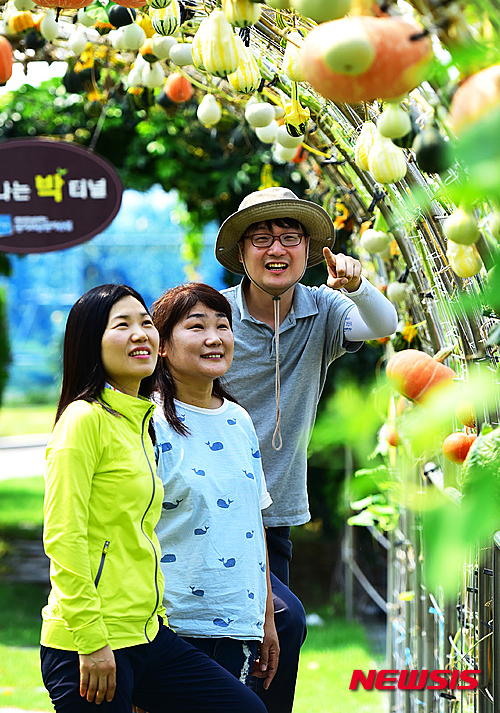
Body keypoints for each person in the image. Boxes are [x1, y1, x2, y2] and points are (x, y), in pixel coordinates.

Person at [40, 282, 266, 713]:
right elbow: (64, 537)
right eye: (121, 325)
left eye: (145, 323)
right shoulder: (83, 420)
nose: (140, 334)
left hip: (147, 635)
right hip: (91, 642)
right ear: (91, 342)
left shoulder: (138, 422)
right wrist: (91, 640)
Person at [215, 186, 399, 712]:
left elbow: (383, 324)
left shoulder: (323, 308)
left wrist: (359, 286)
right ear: (242, 254)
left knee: (269, 644)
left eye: (289, 237)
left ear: (309, 250)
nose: (276, 249)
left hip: (274, 515)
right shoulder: (215, 316)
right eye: (261, 238)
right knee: (270, 625)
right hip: (209, 509)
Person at [151, 282, 279, 689]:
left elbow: (252, 523)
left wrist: (266, 618)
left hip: (239, 624)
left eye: (222, 325)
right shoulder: (148, 422)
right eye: (196, 326)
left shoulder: (239, 420)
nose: (214, 338)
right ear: (162, 345)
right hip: (171, 626)